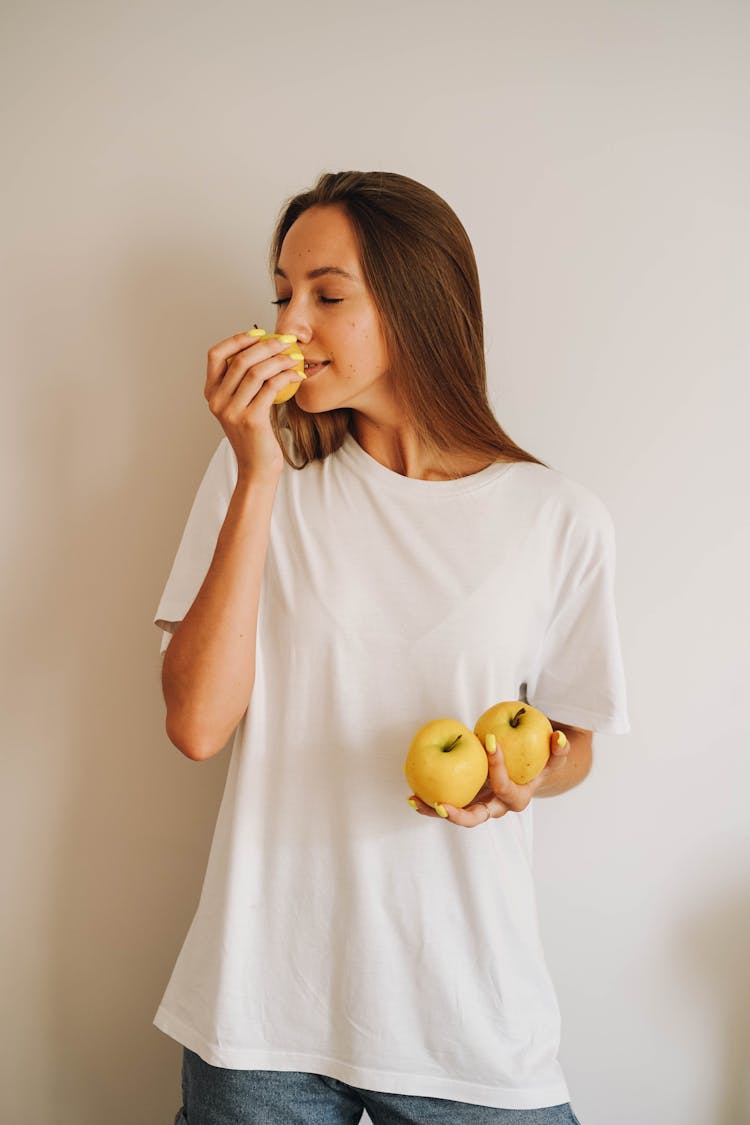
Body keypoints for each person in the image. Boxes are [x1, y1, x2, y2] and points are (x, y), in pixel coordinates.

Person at [154, 171, 629, 1124]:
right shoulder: (262, 469)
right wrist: (254, 473)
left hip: (465, 1011)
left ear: (417, 305)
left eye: (328, 295)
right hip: (260, 1012)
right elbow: (199, 724)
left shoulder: (557, 518)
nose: (291, 322)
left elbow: (572, 742)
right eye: (281, 293)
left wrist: (522, 781)